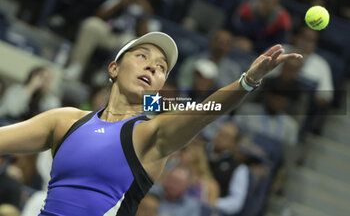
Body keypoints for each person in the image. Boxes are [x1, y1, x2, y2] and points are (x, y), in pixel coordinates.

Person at [0, 31, 302, 215]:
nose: (151, 66)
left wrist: (247, 81)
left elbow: (207, 109)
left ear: (159, 86)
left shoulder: (151, 134)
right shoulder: (64, 120)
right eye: (142, 56)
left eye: (161, 68)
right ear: (114, 68)